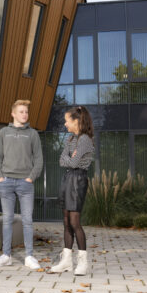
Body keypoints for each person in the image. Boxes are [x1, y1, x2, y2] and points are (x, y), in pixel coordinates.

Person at [0, 99, 43, 269]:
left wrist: (31, 177)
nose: (25, 114)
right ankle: (6, 255)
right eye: (21, 111)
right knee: (7, 220)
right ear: (13, 114)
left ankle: (29, 256)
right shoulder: (4, 132)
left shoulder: (32, 134)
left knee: (27, 220)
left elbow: (38, 159)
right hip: (6, 181)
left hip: (25, 183)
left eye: (26, 112)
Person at [51, 106, 95, 275]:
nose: (65, 123)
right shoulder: (70, 139)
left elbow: (75, 163)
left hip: (78, 180)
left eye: (67, 120)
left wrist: (69, 158)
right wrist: (69, 158)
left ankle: (83, 262)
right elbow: (62, 160)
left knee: (75, 222)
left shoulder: (85, 139)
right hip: (68, 179)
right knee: (66, 221)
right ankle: (66, 261)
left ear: (76, 121)